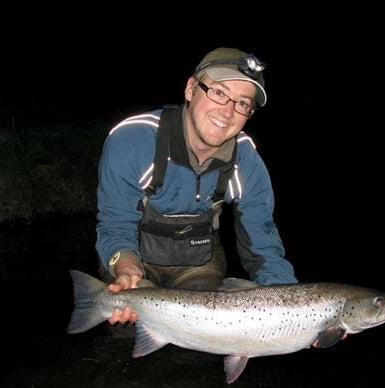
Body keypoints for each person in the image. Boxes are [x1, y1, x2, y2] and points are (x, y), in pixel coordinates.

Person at [95, 47, 297, 325]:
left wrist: (291, 304)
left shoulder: (246, 161)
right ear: (191, 89)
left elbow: (263, 245)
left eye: (242, 103)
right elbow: (116, 223)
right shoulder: (133, 139)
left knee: (201, 336)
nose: (227, 112)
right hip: (138, 250)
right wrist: (126, 265)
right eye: (218, 92)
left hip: (199, 260)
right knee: (125, 327)